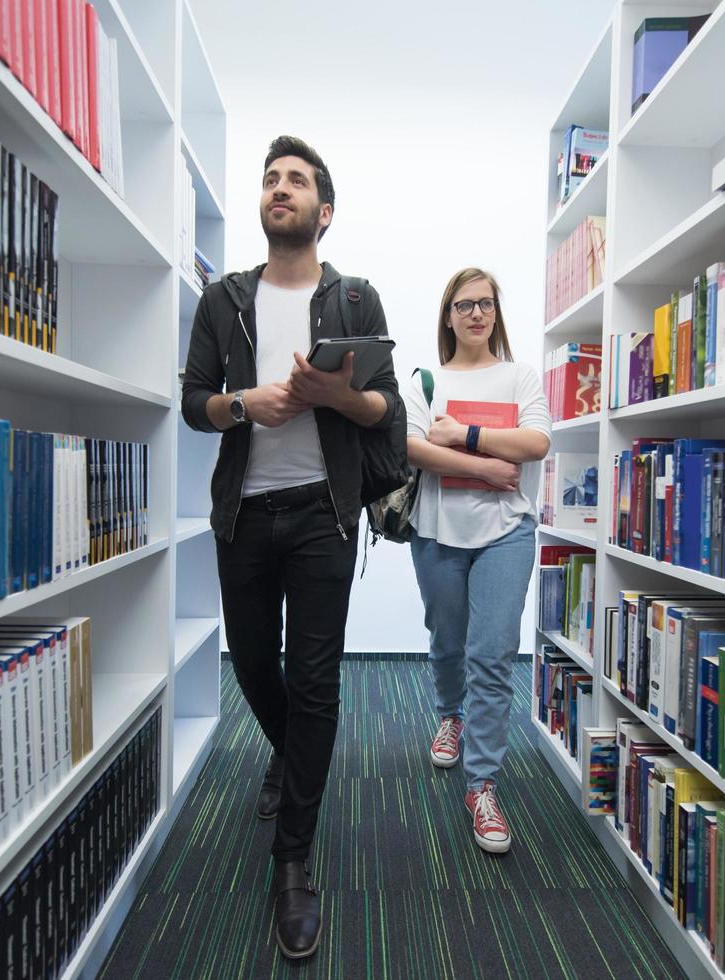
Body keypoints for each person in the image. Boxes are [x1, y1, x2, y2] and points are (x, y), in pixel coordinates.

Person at [179, 136, 399, 960]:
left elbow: (389, 417)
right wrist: (246, 406)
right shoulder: (223, 301)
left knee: (314, 682)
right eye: (271, 179)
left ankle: (293, 861)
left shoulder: (355, 299)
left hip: (323, 515)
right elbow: (194, 401)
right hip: (243, 512)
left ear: (323, 210)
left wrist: (343, 397)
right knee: (252, 664)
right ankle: (292, 760)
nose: (280, 188)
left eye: (296, 180)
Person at [402, 268, 551, 854]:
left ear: (496, 311)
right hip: (437, 531)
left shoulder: (521, 376)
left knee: (491, 656)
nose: (475, 313)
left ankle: (482, 784)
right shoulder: (426, 379)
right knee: (447, 637)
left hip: (506, 532)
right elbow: (409, 446)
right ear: (448, 315)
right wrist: (490, 462)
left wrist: (461, 436)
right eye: (464, 305)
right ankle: (449, 714)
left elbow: (535, 443)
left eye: (485, 303)